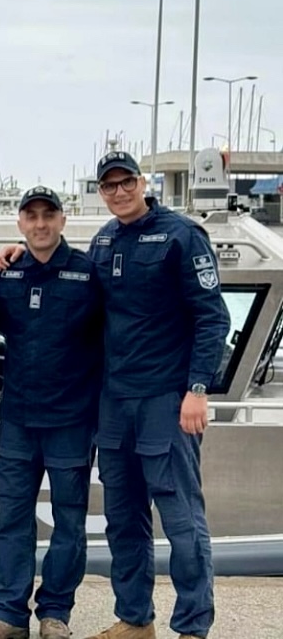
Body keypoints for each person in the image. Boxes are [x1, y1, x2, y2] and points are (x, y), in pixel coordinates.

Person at [83, 151, 229, 639]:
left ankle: (192, 626)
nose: (119, 192)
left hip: (167, 400)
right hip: (115, 403)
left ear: (143, 182)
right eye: (109, 186)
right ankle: (135, 619)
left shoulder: (181, 236)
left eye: (127, 182)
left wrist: (198, 389)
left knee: (182, 521)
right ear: (100, 191)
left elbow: (213, 317)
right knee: (123, 521)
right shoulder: (103, 241)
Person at [0, 186, 103, 639]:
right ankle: (7, 613)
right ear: (20, 224)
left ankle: (55, 613)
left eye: (49, 215)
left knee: (69, 520)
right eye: (32, 216)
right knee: (12, 519)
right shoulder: (6, 275)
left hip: (72, 421)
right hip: (19, 422)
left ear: (63, 221)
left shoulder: (89, 274)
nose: (41, 223)